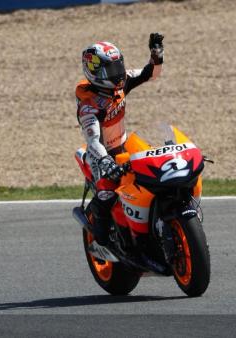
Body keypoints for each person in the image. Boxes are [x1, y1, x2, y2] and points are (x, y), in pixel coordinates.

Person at [76, 33, 164, 246]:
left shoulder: (121, 83)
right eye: (111, 69)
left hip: (123, 145)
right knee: (107, 191)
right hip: (101, 156)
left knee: (154, 172)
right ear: (95, 72)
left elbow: (149, 75)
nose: (118, 74)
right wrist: (105, 161)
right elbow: (93, 140)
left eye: (118, 67)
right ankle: (99, 233)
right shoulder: (89, 105)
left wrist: (157, 55)